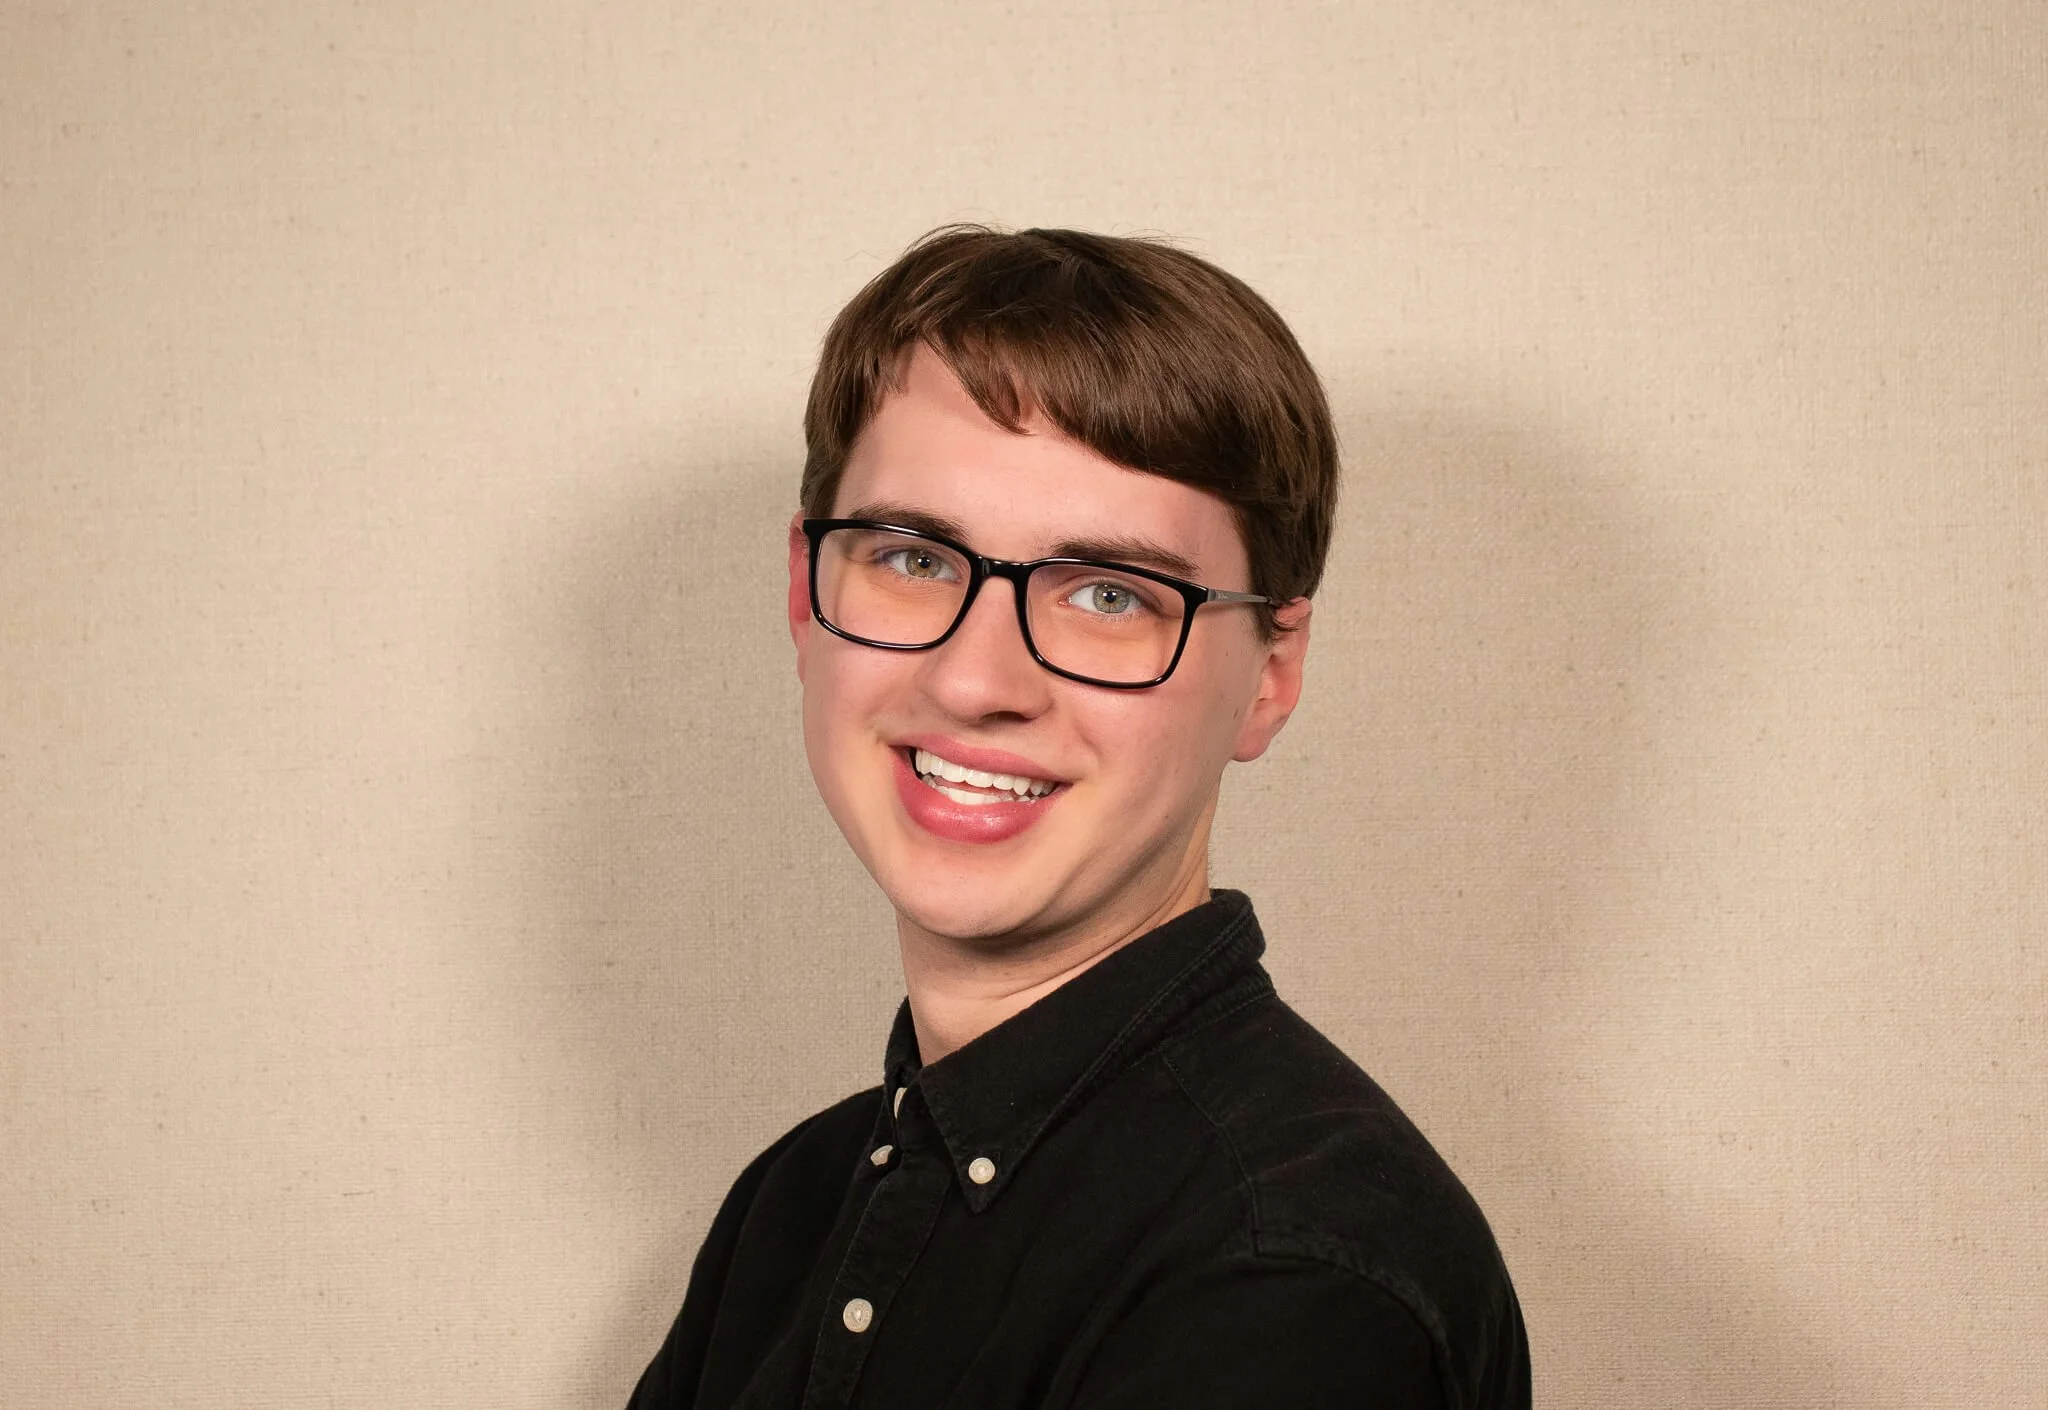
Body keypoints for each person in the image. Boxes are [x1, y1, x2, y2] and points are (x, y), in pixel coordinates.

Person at [628, 226, 1530, 1408]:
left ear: (1268, 674)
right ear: (805, 597)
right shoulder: (794, 1203)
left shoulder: (1283, 1284)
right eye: (911, 558)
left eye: (1108, 594)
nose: (972, 681)